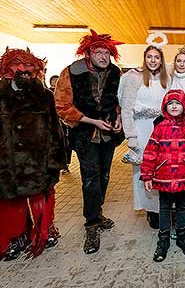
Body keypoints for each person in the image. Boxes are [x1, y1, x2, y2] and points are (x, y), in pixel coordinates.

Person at [0, 47, 67, 267]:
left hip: (38, 164)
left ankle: (45, 231)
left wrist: (57, 161)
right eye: (19, 64)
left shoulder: (44, 96)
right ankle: (17, 237)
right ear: (7, 69)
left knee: (42, 202)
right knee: (11, 205)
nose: (26, 69)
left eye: (30, 66)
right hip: (7, 165)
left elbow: (56, 131)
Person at [55, 29, 124, 254]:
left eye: (107, 53)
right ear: (88, 53)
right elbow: (62, 106)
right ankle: (91, 224)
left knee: (104, 175)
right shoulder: (71, 72)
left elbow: (118, 100)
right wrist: (92, 121)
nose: (104, 57)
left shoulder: (115, 72)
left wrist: (119, 117)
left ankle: (98, 211)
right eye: (98, 52)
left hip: (108, 135)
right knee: (90, 179)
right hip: (85, 135)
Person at [140, 89, 185, 262]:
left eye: (177, 103)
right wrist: (146, 174)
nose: (174, 106)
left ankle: (183, 237)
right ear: (165, 107)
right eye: (171, 104)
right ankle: (163, 241)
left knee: (182, 208)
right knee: (164, 209)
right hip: (164, 178)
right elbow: (150, 152)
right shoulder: (159, 128)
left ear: (184, 106)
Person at [119, 33, 170, 229]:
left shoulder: (167, 78)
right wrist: (131, 136)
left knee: (162, 168)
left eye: (157, 57)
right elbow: (126, 108)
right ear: (145, 58)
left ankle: (162, 206)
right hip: (141, 130)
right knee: (143, 169)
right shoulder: (133, 77)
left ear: (161, 60)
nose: (153, 60)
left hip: (162, 130)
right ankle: (150, 210)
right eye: (150, 56)